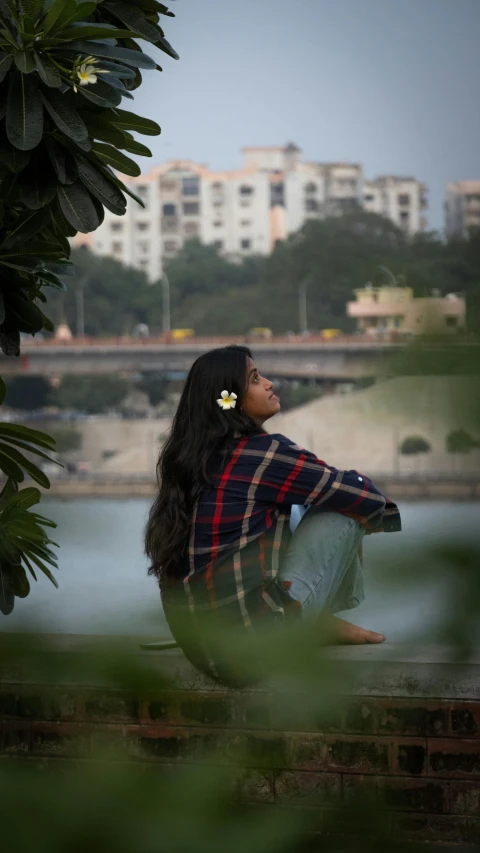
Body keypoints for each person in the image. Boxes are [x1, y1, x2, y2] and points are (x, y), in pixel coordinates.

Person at [145, 345, 401, 685]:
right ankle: (314, 623)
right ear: (230, 399)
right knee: (339, 509)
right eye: (254, 379)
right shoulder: (263, 453)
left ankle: (311, 622)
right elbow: (361, 496)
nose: (268, 383)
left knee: (301, 504)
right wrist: (377, 514)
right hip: (256, 654)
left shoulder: (189, 459)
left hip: (203, 651)